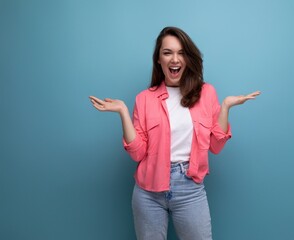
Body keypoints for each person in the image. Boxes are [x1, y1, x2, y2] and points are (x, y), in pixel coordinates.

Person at [89, 26, 260, 240]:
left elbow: (216, 146)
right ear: (158, 60)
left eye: (181, 53)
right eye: (167, 53)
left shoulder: (206, 93)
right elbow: (137, 154)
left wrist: (225, 107)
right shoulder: (144, 99)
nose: (174, 59)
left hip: (189, 188)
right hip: (148, 192)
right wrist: (123, 111)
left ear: (188, 58)